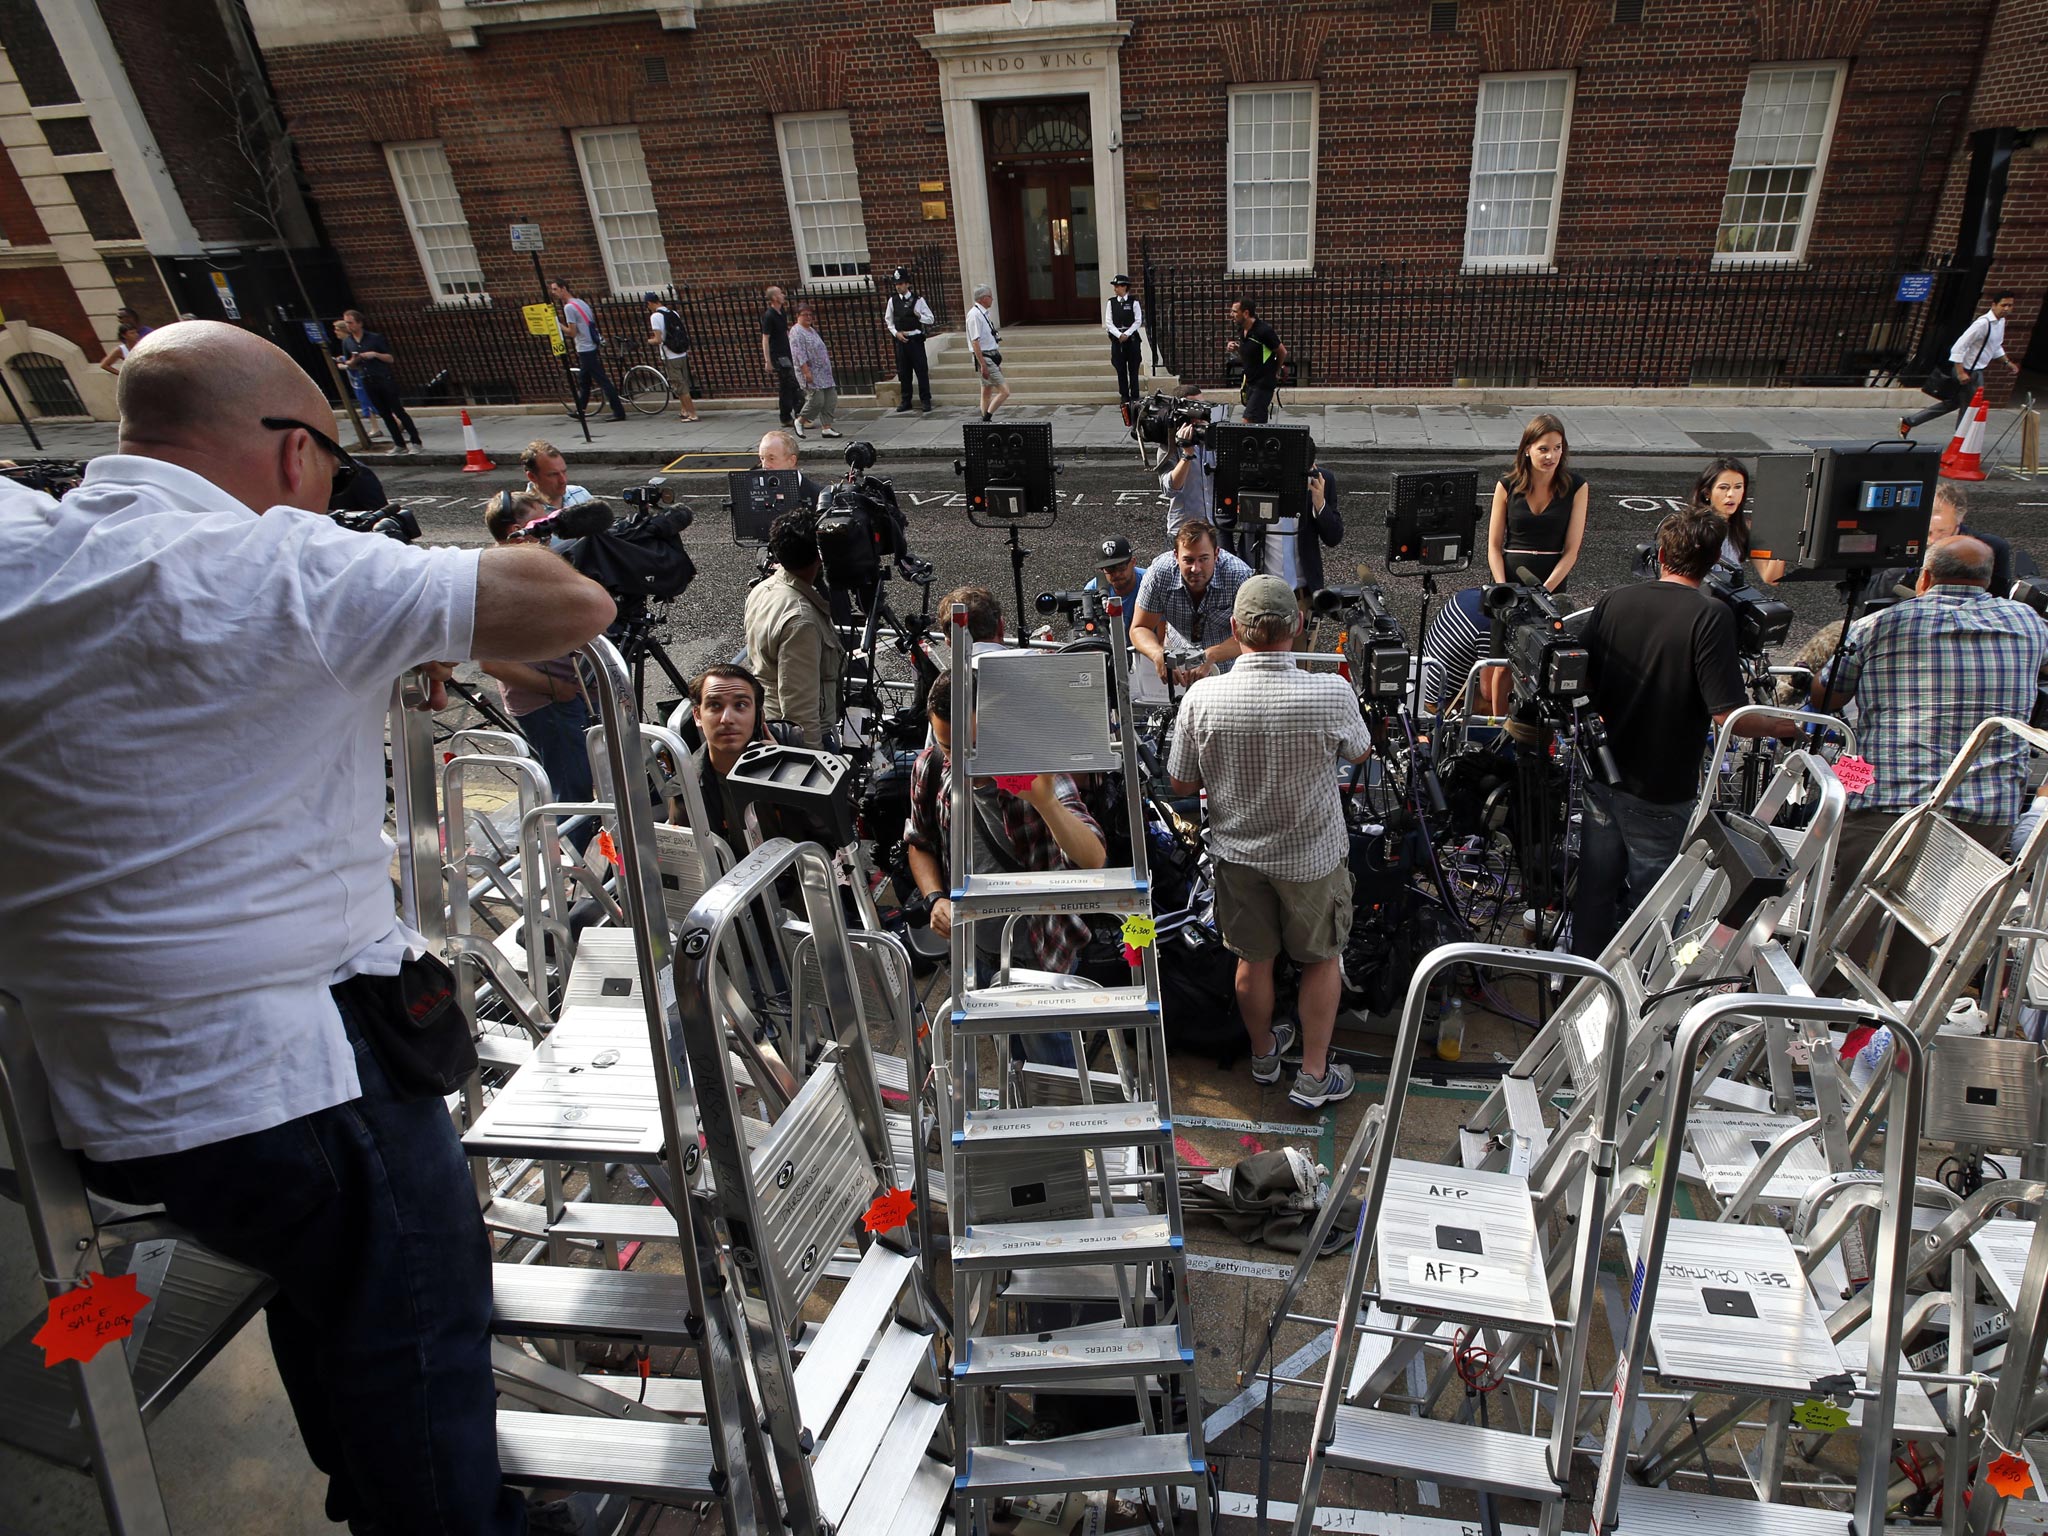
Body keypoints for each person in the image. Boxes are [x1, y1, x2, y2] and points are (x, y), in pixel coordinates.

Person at [0, 321, 615, 1536]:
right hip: (294, 1087)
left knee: (326, 1281)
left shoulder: (26, 546)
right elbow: (570, 601)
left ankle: (371, 1483)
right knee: (422, 1320)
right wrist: (372, 596)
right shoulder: (285, 571)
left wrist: (368, 647)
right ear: (293, 458)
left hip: (106, 1104)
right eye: (330, 462)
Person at [1167, 573, 1371, 1107]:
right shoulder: (1330, 692)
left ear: (1235, 629)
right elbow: (1360, 752)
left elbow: (1182, 784)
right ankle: (1312, 1075)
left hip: (1237, 855)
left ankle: (1262, 1057)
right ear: (1298, 626)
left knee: (1251, 962)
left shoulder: (1204, 697)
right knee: (1322, 960)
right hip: (1312, 857)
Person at [1572, 509, 1794, 957]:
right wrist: (1786, 725)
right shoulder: (1711, 616)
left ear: (1660, 555)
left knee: (1594, 891)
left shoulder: (1615, 599)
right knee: (1654, 903)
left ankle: (1581, 980)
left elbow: (1583, 676)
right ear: (1714, 561)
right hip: (1660, 788)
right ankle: (1639, 997)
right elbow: (1729, 714)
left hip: (1603, 771)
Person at [1816, 535, 2048, 911]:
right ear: (1988, 581)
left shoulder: (1878, 624)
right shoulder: (2030, 624)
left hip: (1889, 803)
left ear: (1925, 577)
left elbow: (1828, 696)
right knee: (1938, 928)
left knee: (1853, 921)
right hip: (1987, 809)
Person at [904, 670, 1103, 1066]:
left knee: (1051, 1060)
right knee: (1008, 1053)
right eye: (948, 746)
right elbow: (919, 842)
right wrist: (934, 898)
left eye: (975, 747)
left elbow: (1093, 856)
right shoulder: (930, 768)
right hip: (975, 948)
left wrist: (1046, 804)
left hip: (1039, 950)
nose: (963, 762)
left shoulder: (1033, 770)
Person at [479, 489, 597, 811]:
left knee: (588, 782)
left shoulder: (529, 567)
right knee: (573, 794)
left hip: (569, 695)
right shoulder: (496, 582)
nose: (545, 535)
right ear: (512, 532)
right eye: (536, 527)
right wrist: (556, 689)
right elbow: (491, 663)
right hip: (548, 704)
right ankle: (575, 855)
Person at [743, 509, 845, 746]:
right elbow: (799, 706)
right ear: (820, 555)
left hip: (772, 723)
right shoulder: (802, 620)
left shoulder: (763, 588)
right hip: (801, 738)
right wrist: (813, 760)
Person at [687, 662, 802, 849]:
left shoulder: (793, 755)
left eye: (740, 705)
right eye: (715, 705)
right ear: (697, 715)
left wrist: (788, 773)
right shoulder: (687, 785)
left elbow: (836, 831)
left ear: (759, 716)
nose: (727, 719)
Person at [1131, 520, 1254, 686]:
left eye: (1203, 559)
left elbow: (1252, 635)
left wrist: (1211, 656)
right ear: (1175, 556)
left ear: (1216, 554)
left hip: (1228, 672)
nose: (1196, 568)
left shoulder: (1239, 576)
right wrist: (1157, 654)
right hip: (1179, 672)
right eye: (1188, 560)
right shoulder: (1159, 574)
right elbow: (1139, 628)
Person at [1236, 455, 1343, 644]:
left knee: (1298, 669)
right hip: (1260, 597)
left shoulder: (1321, 480)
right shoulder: (1255, 481)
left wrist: (1320, 504)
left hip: (1301, 600)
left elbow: (1333, 537)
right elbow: (1222, 524)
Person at [1487, 413, 1588, 593]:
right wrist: (1502, 587)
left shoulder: (1577, 487)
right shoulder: (1506, 485)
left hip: (1551, 582)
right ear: (1527, 449)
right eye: (1543, 449)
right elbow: (1493, 547)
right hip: (1509, 579)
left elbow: (1572, 551)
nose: (1551, 456)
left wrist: (1544, 591)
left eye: (1557, 448)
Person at [1902, 291, 2018, 439]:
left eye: (2010, 305)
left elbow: (1995, 346)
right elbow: (1958, 347)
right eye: (2004, 305)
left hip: (1977, 371)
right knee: (1970, 407)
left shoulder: (2000, 322)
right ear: (1994, 305)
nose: (2007, 308)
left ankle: (1910, 422)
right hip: (1968, 371)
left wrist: (2008, 363)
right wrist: (1961, 372)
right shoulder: (1982, 324)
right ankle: (1961, 439)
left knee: (1953, 403)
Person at [336, 308, 424, 451]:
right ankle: (399, 444)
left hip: (383, 378)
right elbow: (349, 362)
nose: (348, 326)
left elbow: (390, 358)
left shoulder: (375, 338)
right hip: (366, 379)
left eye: (350, 323)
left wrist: (375, 354)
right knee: (384, 414)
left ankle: (415, 441)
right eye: (346, 323)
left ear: (359, 323)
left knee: (398, 410)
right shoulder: (347, 342)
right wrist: (351, 362)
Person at [1689, 455, 1785, 584]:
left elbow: (1771, 578)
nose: (1731, 494)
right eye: (1724, 488)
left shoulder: (1745, 529)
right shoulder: (1693, 527)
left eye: (1738, 487)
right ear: (1707, 493)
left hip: (1728, 597)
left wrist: (1781, 543)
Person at [546, 277, 626, 423]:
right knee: (584, 379)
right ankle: (580, 409)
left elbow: (572, 332)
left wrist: (557, 325)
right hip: (591, 345)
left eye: (555, 289)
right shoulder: (581, 303)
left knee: (602, 381)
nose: (553, 292)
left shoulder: (569, 307)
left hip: (585, 347)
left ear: (564, 288)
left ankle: (618, 411)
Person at [1161, 385, 1224, 537]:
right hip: (1183, 530)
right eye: (1195, 408)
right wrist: (1186, 454)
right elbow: (1170, 489)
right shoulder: (1168, 444)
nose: (1201, 414)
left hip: (1213, 527)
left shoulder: (1213, 439)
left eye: (1203, 406)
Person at [884, 267, 935, 413]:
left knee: (921, 371)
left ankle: (925, 400)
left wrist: (919, 316)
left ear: (907, 284)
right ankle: (906, 400)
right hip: (902, 339)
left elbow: (930, 319)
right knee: (904, 372)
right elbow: (889, 321)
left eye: (900, 283)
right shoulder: (892, 301)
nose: (898, 286)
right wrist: (896, 333)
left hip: (915, 339)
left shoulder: (918, 300)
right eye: (896, 284)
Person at [1227, 297, 1285, 424]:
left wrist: (1276, 371)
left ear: (1246, 313)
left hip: (1263, 383)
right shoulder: (1242, 330)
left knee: (1247, 420)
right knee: (1258, 421)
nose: (1231, 315)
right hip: (1250, 382)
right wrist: (1236, 348)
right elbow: (1250, 353)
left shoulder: (1263, 331)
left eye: (1235, 311)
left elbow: (1282, 351)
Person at [643, 291, 698, 422]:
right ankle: (684, 410)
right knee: (682, 383)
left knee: (680, 386)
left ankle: (692, 414)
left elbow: (658, 339)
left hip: (670, 355)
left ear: (650, 303)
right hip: (681, 353)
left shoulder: (655, 316)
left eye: (647, 305)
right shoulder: (673, 313)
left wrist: (648, 341)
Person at [332, 318, 387, 444]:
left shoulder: (351, 342)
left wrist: (344, 365)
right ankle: (376, 427)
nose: (335, 333)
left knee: (370, 402)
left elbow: (356, 361)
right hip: (357, 378)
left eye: (337, 330)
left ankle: (388, 423)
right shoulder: (348, 343)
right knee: (369, 402)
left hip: (360, 377)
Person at [790, 303, 840, 438]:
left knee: (830, 398)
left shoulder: (811, 330)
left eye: (810, 315)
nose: (808, 317)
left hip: (823, 372)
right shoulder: (796, 332)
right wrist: (806, 372)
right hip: (811, 372)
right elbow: (799, 354)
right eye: (805, 315)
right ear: (797, 316)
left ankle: (827, 427)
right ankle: (800, 421)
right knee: (817, 400)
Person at [760, 284, 803, 432]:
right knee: (792, 384)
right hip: (778, 356)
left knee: (787, 386)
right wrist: (768, 361)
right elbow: (765, 338)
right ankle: (796, 415)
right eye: (780, 293)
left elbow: (785, 333)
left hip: (787, 353)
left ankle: (786, 416)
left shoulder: (781, 312)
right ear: (774, 298)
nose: (783, 295)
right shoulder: (769, 315)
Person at [966, 284, 1009, 421]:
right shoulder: (975, 315)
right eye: (990, 297)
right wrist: (983, 364)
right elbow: (975, 342)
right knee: (1005, 391)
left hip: (992, 356)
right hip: (985, 357)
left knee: (986, 391)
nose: (992, 299)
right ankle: (987, 417)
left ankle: (985, 419)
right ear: (983, 298)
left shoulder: (984, 313)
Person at [1104, 274, 1144, 407]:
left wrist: (1126, 333)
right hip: (1117, 340)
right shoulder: (1111, 302)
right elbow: (1108, 322)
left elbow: (1138, 320)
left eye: (1118, 286)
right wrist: (1118, 335)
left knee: (1133, 367)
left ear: (1124, 287)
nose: (1115, 288)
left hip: (1131, 339)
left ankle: (1135, 394)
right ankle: (1124, 394)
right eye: (1115, 286)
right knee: (1120, 368)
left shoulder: (1134, 301)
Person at [522, 438, 592, 513]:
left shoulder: (581, 494)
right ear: (532, 476)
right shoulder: (523, 511)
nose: (563, 480)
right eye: (553, 475)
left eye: (564, 472)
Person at [1085, 534, 1147, 606]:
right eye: (1109, 569)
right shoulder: (1092, 589)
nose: (1116, 574)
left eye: (1121, 566)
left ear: (1133, 562)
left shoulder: (1151, 582)